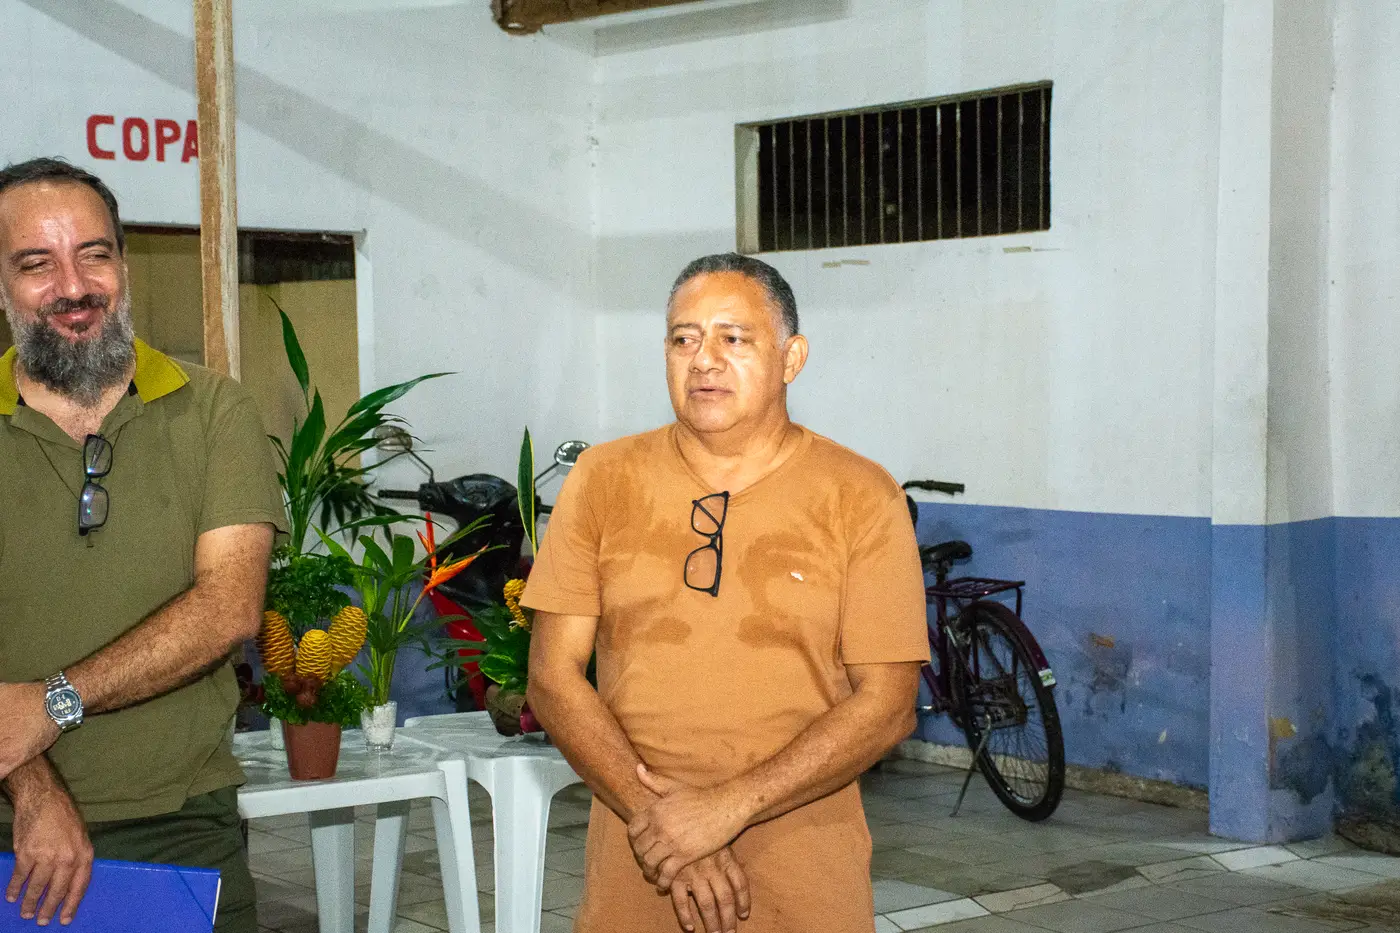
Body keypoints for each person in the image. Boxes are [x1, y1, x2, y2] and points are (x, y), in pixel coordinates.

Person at [524, 253, 930, 933]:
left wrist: (728, 806)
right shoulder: (602, 479)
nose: (704, 360)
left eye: (733, 338)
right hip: (639, 857)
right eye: (683, 339)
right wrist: (665, 826)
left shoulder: (860, 495)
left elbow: (888, 705)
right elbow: (552, 676)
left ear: (792, 357)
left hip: (802, 864)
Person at [0, 158, 284, 932]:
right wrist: (33, 785)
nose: (74, 286)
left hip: (183, 824)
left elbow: (229, 608)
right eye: (36, 263)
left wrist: (54, 702)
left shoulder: (215, 410)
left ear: (123, 265)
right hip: (8, 823)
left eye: (94, 254)